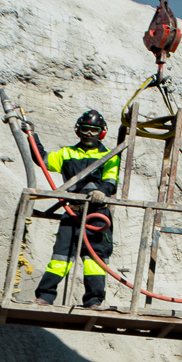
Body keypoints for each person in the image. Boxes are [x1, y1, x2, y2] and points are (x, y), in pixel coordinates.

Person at [34, 109, 120, 307]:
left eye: (94, 130)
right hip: (73, 211)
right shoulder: (66, 153)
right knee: (61, 256)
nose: (89, 133)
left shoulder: (109, 155)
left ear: (102, 133)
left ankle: (94, 301)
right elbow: (42, 159)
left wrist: (102, 192)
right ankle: (45, 297)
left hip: (97, 213)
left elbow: (111, 179)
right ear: (78, 131)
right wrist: (32, 136)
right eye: (85, 129)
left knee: (95, 259)